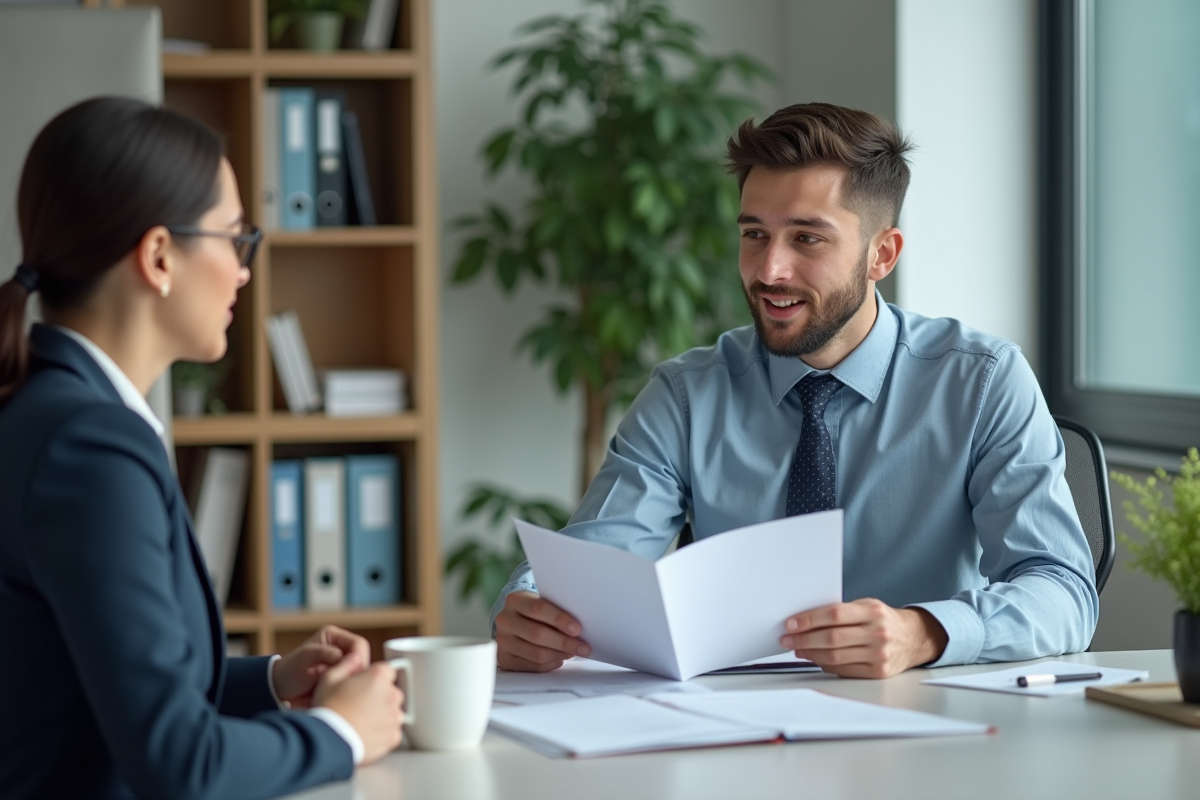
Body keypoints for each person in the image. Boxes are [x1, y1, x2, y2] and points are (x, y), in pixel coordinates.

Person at [491, 102, 1099, 679]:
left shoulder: (983, 381)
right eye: (754, 234)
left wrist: (924, 633)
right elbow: (592, 568)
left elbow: (1063, 590)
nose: (769, 270)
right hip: (729, 727)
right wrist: (527, 609)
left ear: (880, 255)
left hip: (927, 720)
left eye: (807, 238)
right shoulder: (685, 394)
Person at [0, 97, 403, 800]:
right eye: (233, 237)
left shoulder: (54, 409)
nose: (245, 270)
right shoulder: (89, 445)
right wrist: (342, 733)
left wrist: (277, 680)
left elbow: (106, 687)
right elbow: (179, 763)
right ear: (159, 256)